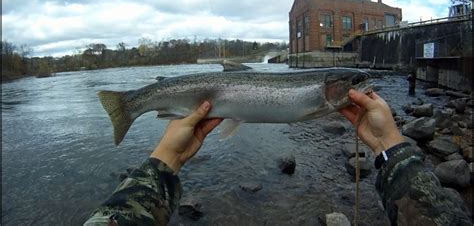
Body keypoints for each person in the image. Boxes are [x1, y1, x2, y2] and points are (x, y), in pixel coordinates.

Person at [84, 90, 472, 225]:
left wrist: (166, 158)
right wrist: (391, 142)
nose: (360, 89)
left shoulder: (324, 100)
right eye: (353, 83)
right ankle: (127, 105)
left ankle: (128, 105)